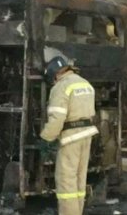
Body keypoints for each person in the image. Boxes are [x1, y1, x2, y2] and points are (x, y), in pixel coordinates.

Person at [39, 56, 98, 215]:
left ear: (54, 74)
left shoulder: (61, 87)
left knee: (66, 183)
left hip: (71, 138)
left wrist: (45, 139)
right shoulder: (84, 83)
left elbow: (57, 118)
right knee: (79, 181)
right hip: (87, 135)